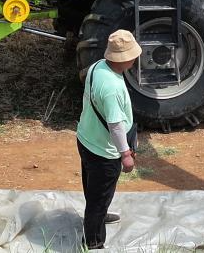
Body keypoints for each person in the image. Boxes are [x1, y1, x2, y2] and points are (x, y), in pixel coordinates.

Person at [76, 30, 141, 249]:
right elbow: (115, 125)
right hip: (104, 152)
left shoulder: (98, 67)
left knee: (92, 189)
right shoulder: (112, 88)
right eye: (133, 55)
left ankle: (98, 216)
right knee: (99, 197)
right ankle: (93, 242)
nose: (136, 57)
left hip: (86, 139)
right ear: (125, 59)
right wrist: (125, 155)